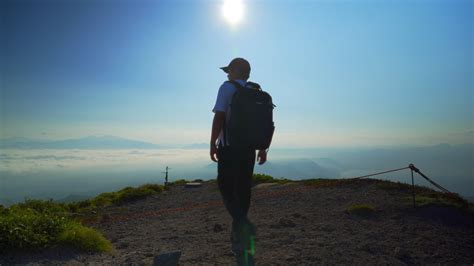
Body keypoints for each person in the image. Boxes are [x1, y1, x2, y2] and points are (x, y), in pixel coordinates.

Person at [210, 58, 267, 265]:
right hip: (249, 149)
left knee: (225, 188)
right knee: (243, 190)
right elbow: (263, 122)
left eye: (229, 71)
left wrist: (212, 143)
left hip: (229, 147)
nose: (226, 75)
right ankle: (240, 238)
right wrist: (263, 148)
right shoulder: (256, 90)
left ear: (235, 71)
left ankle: (243, 224)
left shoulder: (226, 88)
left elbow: (219, 117)